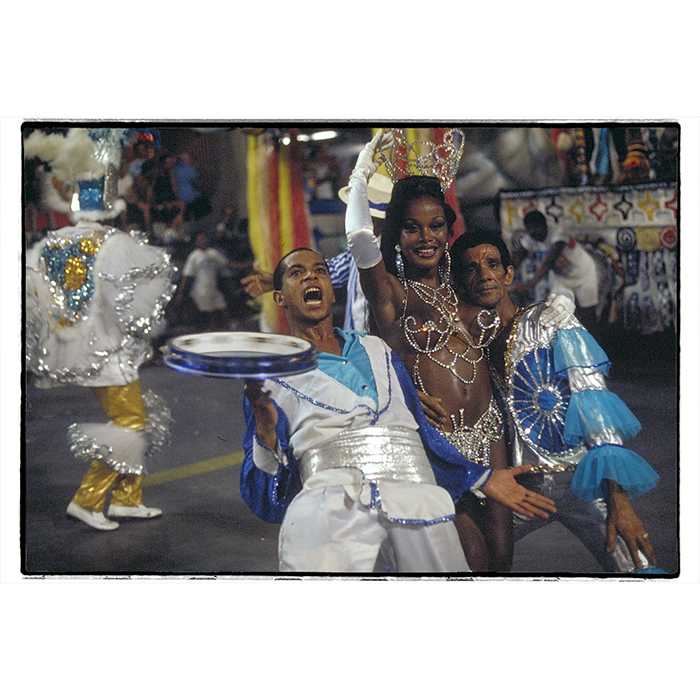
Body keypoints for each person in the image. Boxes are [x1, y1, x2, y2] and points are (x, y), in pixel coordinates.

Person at [240, 247, 556, 573]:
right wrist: (265, 432)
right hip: (332, 521)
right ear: (279, 299)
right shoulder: (271, 377)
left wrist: (483, 478)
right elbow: (266, 499)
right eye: (297, 273)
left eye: (320, 270)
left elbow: (423, 435)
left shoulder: (377, 349)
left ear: (331, 286)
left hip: (415, 507)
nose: (311, 276)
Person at [343, 131, 557, 571]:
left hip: (492, 433)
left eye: (436, 225)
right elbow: (360, 239)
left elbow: (513, 327)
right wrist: (363, 172)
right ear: (398, 233)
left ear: (448, 227)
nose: (426, 237)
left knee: (500, 561)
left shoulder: (466, 285)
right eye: (412, 227)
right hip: (439, 448)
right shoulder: (393, 296)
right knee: (468, 562)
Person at [450, 231, 660, 572]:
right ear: (460, 282)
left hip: (584, 482)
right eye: (471, 269)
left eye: (492, 264)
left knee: (637, 565)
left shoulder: (550, 320)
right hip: (520, 492)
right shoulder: (462, 346)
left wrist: (619, 500)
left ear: (508, 273)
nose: (484, 274)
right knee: (467, 565)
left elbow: (595, 405)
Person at [24, 128, 175, 531]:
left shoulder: (49, 244)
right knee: (131, 423)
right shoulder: (113, 242)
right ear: (112, 206)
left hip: (74, 351)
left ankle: (127, 498)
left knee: (136, 417)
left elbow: (33, 298)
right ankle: (88, 499)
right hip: (109, 354)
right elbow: (145, 290)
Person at [241, 171, 393, 333]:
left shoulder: (392, 253)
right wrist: (278, 281)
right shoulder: (357, 250)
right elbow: (330, 273)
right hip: (359, 342)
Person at [511, 210, 600, 333]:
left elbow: (549, 261)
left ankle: (594, 344)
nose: (534, 233)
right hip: (561, 278)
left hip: (584, 273)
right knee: (558, 312)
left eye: (537, 229)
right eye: (530, 230)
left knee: (588, 314)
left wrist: (530, 284)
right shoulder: (529, 238)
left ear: (545, 225)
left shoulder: (558, 233)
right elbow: (518, 257)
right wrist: (509, 275)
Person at [174, 231, 230, 330]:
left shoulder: (213, 253)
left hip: (213, 289)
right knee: (209, 315)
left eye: (204, 238)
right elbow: (187, 276)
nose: (203, 241)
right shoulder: (194, 256)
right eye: (200, 239)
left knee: (223, 310)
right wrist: (181, 292)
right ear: (196, 242)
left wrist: (246, 265)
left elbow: (226, 263)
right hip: (200, 291)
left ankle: (223, 331)